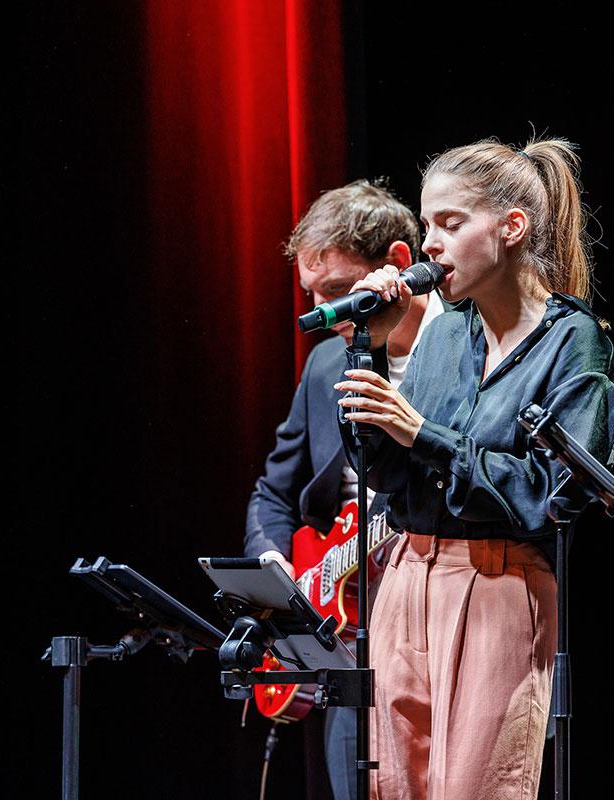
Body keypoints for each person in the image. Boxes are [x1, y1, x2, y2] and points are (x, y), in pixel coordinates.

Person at [335, 137, 614, 799]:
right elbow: (387, 472)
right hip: (408, 578)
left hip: (497, 585)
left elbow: (553, 495)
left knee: (478, 787)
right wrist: (370, 353)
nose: (429, 243)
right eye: (427, 223)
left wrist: (424, 435)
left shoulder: (573, 341)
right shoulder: (440, 333)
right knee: (394, 789)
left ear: (511, 227)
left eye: (449, 223)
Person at [245, 179, 446, 800]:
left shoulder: (469, 344)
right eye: (313, 295)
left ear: (397, 264)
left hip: (439, 624)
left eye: (337, 293)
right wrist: (279, 570)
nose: (324, 313)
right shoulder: (326, 365)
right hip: (351, 645)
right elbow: (274, 491)